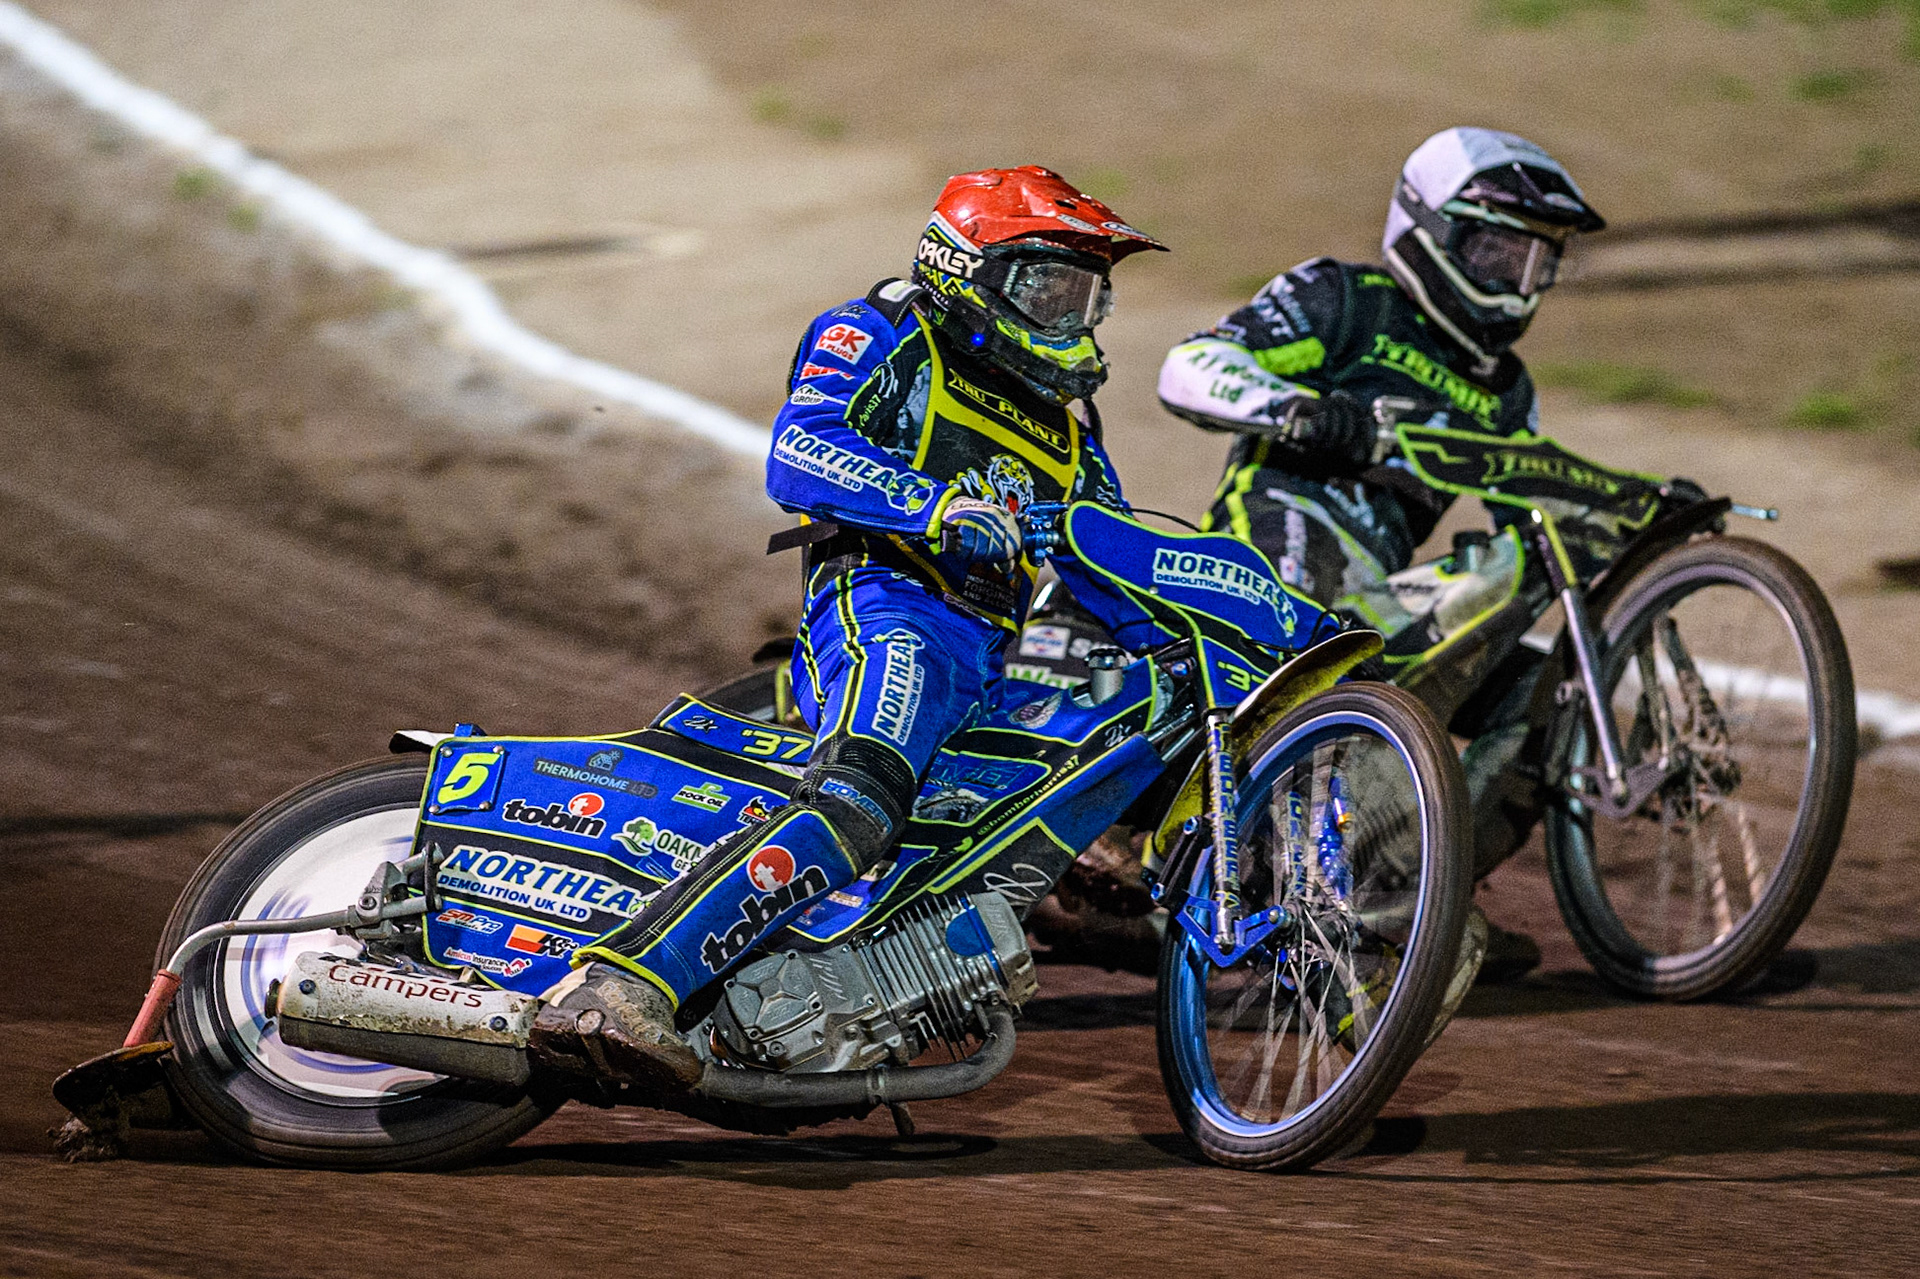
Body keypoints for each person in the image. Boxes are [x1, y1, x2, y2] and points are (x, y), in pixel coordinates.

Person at [530, 165, 1165, 1089]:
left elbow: (1115, 551)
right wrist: (931, 504)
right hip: (889, 602)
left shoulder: (1072, 428)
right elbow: (798, 451)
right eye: (1047, 284)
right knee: (858, 802)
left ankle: (814, 1000)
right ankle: (626, 984)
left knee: (972, 839)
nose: (1071, 310)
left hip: (996, 652)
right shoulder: (883, 334)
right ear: (968, 268)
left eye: (1085, 292)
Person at [1156, 127, 1606, 979]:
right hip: (1269, 577)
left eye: (1534, 259)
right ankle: (1314, 878)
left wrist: (1631, 520)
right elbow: (1190, 365)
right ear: (1432, 232)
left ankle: (1405, 893)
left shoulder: (1507, 390)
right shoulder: (1346, 300)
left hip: (1382, 604)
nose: (1517, 278)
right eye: (1497, 248)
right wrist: (1294, 408)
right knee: (1337, 652)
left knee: (1561, 688)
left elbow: (1531, 510)